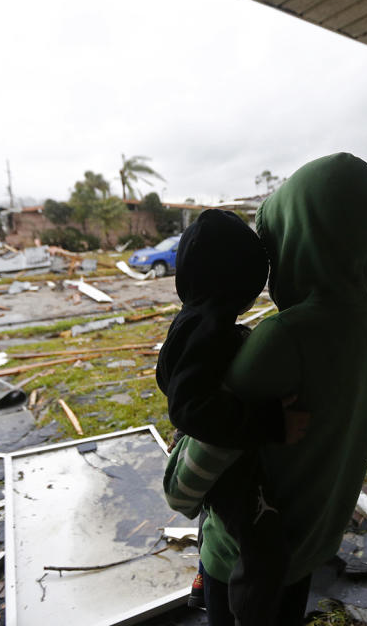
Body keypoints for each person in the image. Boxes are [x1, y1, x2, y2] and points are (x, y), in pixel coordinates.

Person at [164, 153, 367, 625]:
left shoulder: (283, 337)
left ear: (299, 236)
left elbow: (183, 487)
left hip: (242, 564)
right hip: (310, 541)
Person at [157, 208, 308, 622]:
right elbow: (191, 408)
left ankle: (205, 581)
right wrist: (270, 423)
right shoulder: (208, 329)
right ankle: (248, 612)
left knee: (216, 522)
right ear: (241, 282)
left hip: (214, 442)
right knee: (264, 542)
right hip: (228, 456)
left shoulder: (195, 320)